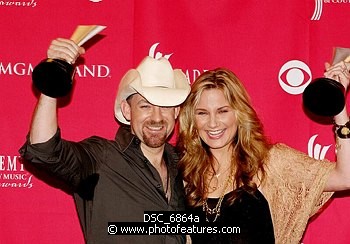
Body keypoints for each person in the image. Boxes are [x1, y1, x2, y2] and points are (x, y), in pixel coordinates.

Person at [19, 38, 191, 244]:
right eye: (145, 106)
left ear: (176, 111)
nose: (156, 117)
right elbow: (43, 150)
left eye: (164, 106)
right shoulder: (101, 159)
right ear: (127, 110)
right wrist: (52, 81)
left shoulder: (184, 165)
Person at [177, 61, 350, 243]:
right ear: (192, 118)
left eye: (222, 111)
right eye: (202, 113)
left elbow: (346, 177)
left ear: (239, 113)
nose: (213, 123)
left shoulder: (271, 162)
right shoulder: (186, 173)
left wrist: (338, 108)